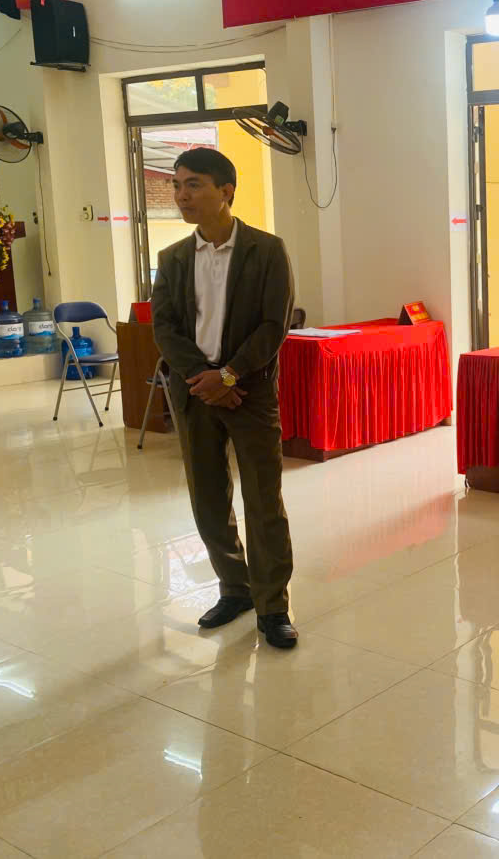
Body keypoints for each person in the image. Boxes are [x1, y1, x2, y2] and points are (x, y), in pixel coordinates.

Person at [151, 147, 299, 649]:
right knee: (209, 499)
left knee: (263, 500)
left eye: (193, 184)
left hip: (250, 393)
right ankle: (234, 588)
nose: (180, 195)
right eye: (176, 185)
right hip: (195, 395)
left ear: (226, 191)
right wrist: (204, 379)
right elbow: (165, 327)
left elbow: (272, 325)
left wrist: (231, 375)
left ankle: (273, 604)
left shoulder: (266, 250)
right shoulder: (171, 258)